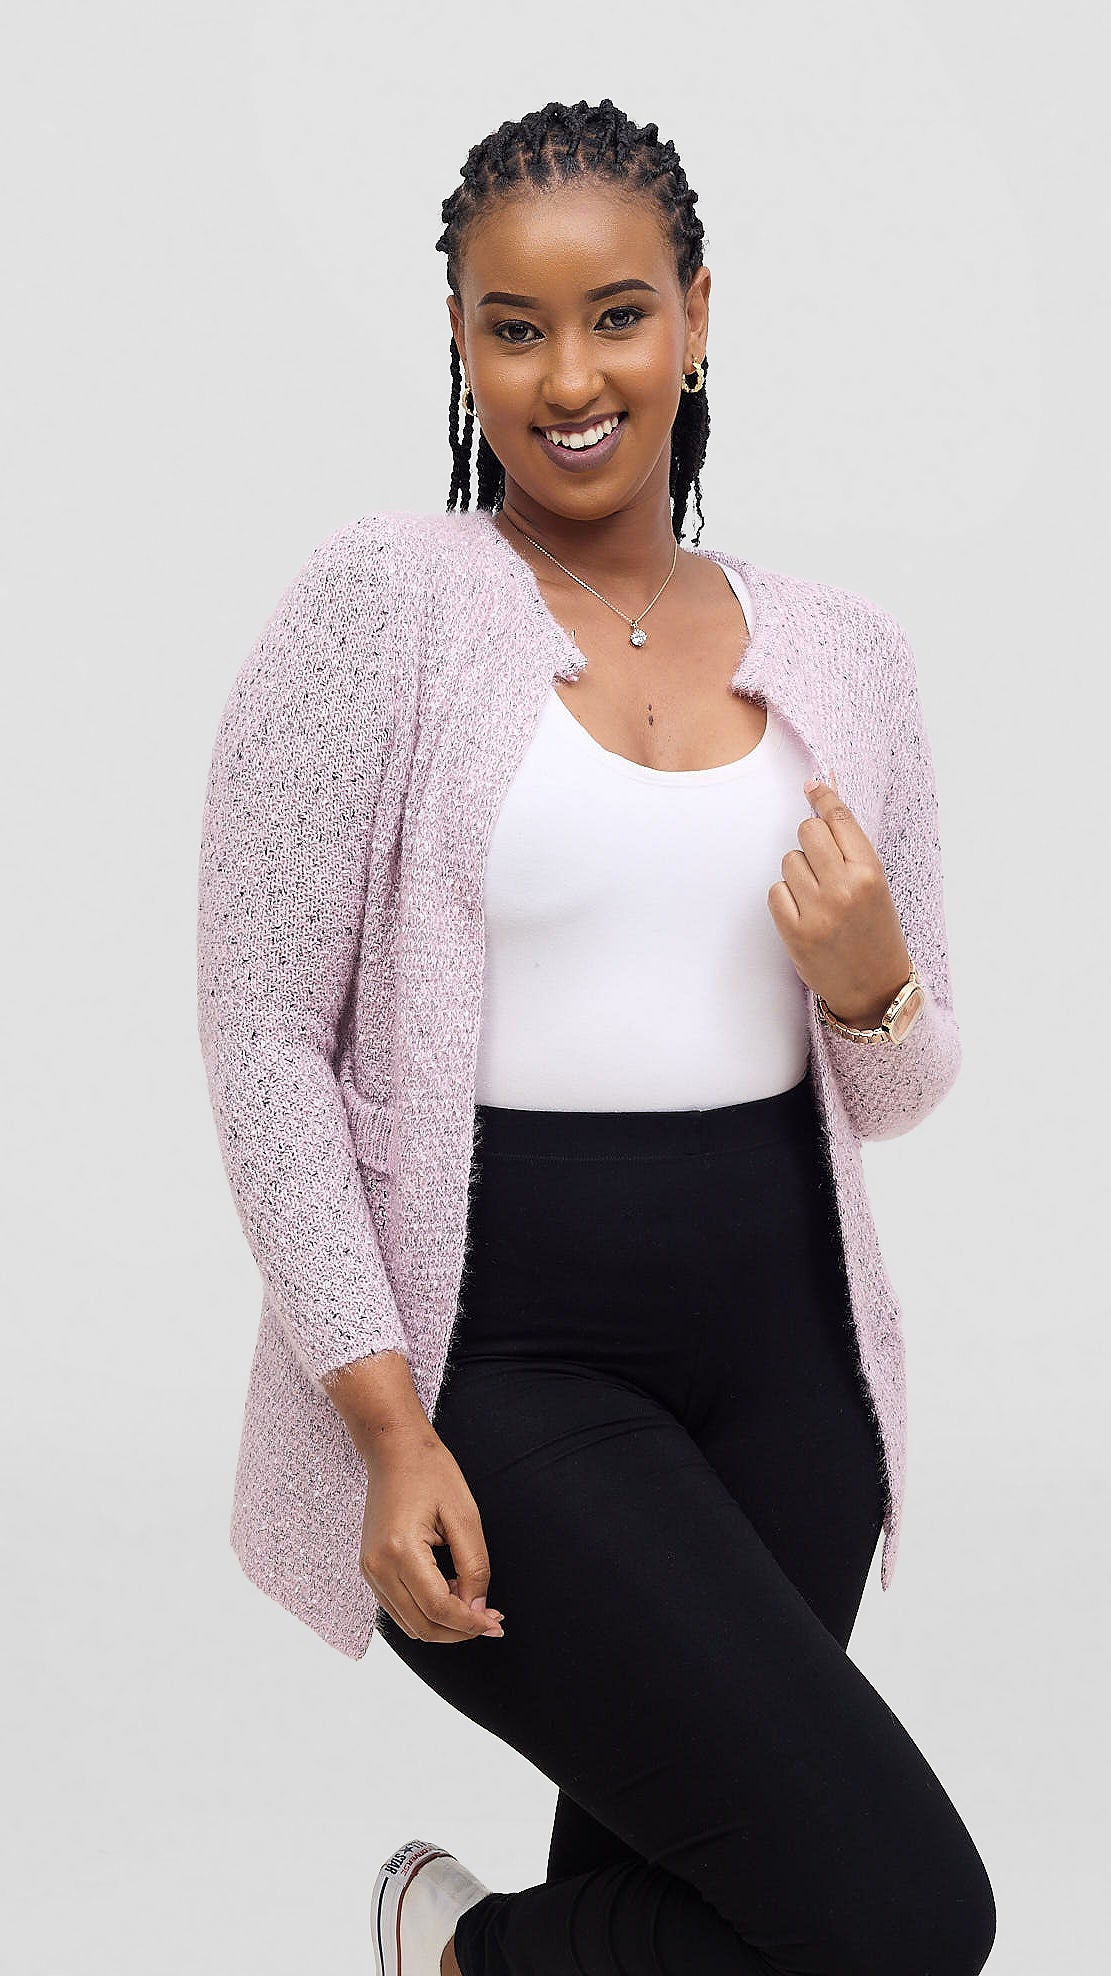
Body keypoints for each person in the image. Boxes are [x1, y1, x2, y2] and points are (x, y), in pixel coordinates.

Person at [197, 98, 997, 1976]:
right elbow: (261, 1034)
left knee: (722, 1893)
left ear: (697, 316)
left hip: (792, 1372)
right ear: (461, 343)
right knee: (896, 1915)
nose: (570, 380)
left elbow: (897, 1087)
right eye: (516, 329)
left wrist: (873, 977)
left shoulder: (848, 652)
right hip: (502, 1355)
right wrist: (384, 1422)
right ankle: (453, 1949)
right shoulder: (381, 608)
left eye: (619, 316)